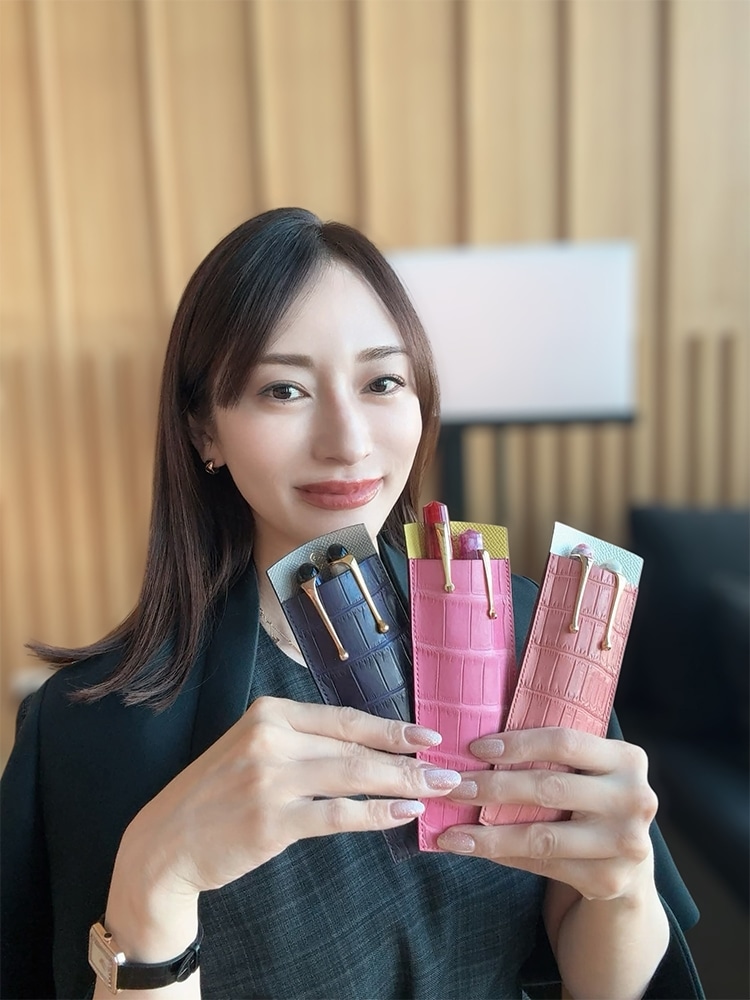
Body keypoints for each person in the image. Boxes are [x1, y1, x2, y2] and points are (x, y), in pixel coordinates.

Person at [1, 208, 704, 1000]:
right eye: (284, 389)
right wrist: (155, 879)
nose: (348, 441)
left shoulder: (523, 630)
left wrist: (624, 888)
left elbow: (595, 963)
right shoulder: (95, 728)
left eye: (382, 382)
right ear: (204, 431)